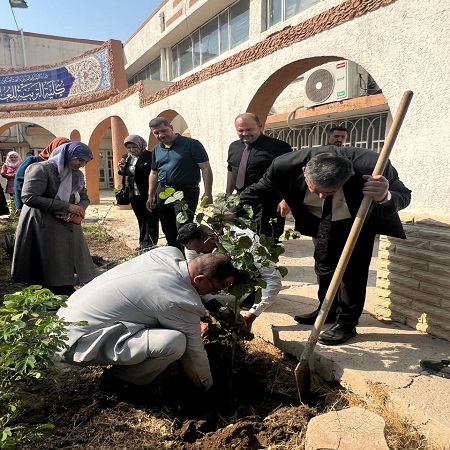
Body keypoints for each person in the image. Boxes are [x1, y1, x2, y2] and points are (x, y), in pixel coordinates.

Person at [229, 146, 411, 345]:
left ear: (348, 176)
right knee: (323, 262)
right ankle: (327, 310)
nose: (322, 196)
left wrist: (385, 195)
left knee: (353, 271)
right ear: (305, 171)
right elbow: (259, 189)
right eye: (315, 190)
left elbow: (403, 195)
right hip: (318, 219)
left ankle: (346, 323)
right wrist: (232, 211)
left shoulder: (373, 165)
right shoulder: (283, 165)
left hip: (357, 219)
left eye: (329, 191)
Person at [56, 248, 237, 391]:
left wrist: (217, 308)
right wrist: (208, 388)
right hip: (75, 343)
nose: (215, 293)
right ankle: (120, 380)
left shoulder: (167, 254)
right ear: (200, 279)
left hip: (64, 319)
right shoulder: (178, 301)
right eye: (216, 289)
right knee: (175, 343)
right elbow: (194, 353)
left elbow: (188, 285)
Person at [11, 141, 98, 296]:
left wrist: (77, 210)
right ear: (68, 155)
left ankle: (64, 286)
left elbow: (84, 197)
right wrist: (67, 207)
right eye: (80, 160)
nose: (82, 165)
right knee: (47, 260)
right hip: (41, 223)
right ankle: (49, 292)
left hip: (67, 222)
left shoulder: (75, 174)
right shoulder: (41, 169)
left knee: (65, 258)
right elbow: (29, 197)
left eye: (86, 162)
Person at [176, 223, 282, 332]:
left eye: (200, 248)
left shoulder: (243, 239)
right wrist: (215, 309)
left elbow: (273, 280)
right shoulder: (193, 247)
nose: (198, 253)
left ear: (212, 237)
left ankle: (252, 291)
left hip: (251, 273)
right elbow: (194, 282)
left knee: (262, 280)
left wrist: (251, 316)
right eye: (194, 250)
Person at [147, 117, 213, 249]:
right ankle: (175, 254)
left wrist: (208, 192)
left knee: (183, 227)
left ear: (171, 127)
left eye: (164, 130)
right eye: (157, 133)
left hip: (186, 192)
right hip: (164, 191)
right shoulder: (156, 149)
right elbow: (154, 173)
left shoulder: (192, 144)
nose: (161, 135)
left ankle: (189, 256)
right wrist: (151, 195)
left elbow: (205, 168)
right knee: (167, 226)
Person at [226, 113, 292, 241]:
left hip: (268, 202)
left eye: (249, 129)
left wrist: (286, 199)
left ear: (260, 126)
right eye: (241, 130)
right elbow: (230, 169)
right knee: (241, 240)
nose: (245, 134)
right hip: (240, 200)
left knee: (266, 242)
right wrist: (228, 192)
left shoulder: (279, 147)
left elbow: (290, 175)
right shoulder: (234, 147)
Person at [119, 135, 159, 249]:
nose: (132, 150)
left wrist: (152, 194)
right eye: (129, 148)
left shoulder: (150, 156)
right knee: (141, 219)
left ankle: (150, 244)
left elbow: (154, 174)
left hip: (148, 193)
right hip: (134, 194)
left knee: (151, 219)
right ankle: (142, 243)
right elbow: (127, 174)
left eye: (134, 147)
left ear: (141, 145)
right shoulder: (127, 157)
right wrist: (122, 169)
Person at [14, 136, 70, 214]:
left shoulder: (61, 165)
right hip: (32, 204)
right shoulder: (33, 161)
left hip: (50, 206)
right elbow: (19, 181)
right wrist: (19, 206)